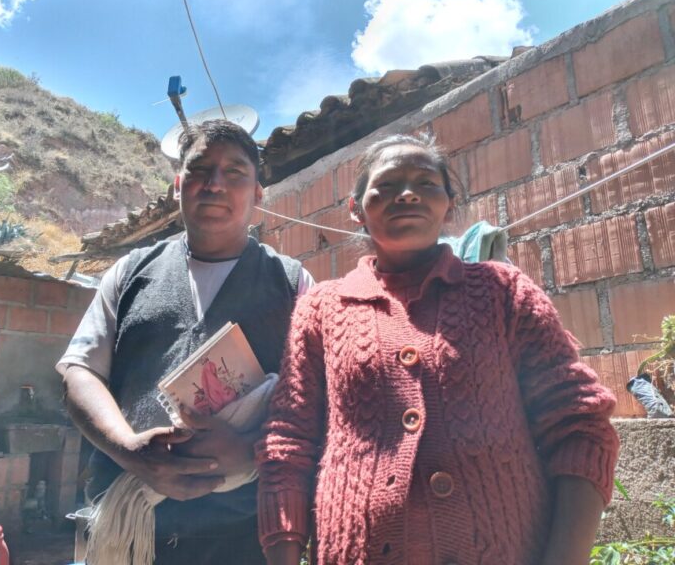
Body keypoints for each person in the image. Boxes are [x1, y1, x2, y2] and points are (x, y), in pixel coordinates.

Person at [256, 134, 620, 565]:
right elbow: (288, 442)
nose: (407, 194)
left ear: (449, 204)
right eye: (386, 186)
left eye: (427, 184)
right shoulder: (320, 308)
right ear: (356, 210)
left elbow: (580, 427)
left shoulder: (504, 293)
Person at [57, 119, 314, 564]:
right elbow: (80, 371)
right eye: (199, 170)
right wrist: (128, 450)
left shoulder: (292, 282)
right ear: (179, 185)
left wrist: (251, 449)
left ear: (257, 195)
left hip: (241, 534)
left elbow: (315, 398)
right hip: (128, 531)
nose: (214, 184)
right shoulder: (131, 271)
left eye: (235, 173)